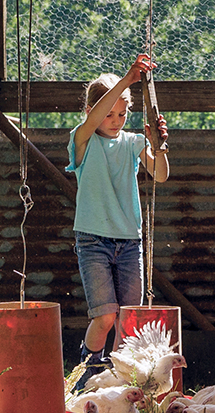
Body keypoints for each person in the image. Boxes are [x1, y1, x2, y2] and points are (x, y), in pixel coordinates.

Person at [66, 53, 170, 391]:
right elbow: (96, 118)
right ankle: (86, 372)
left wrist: (160, 146)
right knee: (105, 316)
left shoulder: (133, 142)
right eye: (108, 113)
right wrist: (126, 80)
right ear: (91, 113)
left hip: (129, 241)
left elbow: (162, 175)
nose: (116, 120)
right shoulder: (81, 141)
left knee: (128, 319)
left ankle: (119, 383)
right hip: (92, 240)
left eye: (122, 113)